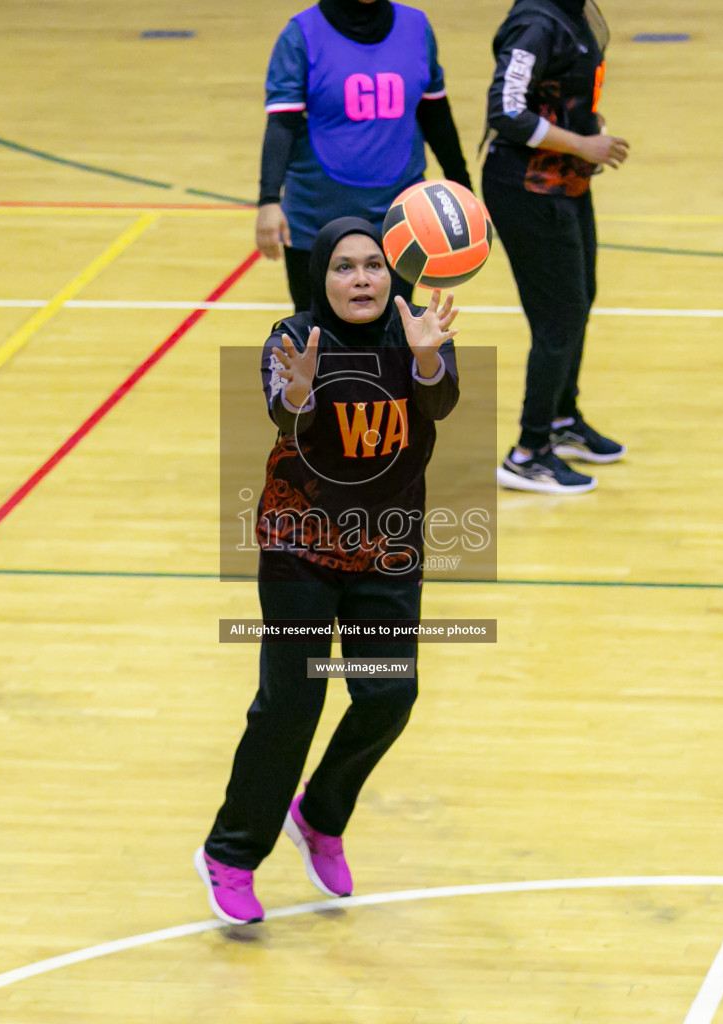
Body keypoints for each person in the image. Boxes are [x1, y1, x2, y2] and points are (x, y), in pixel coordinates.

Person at [196, 218, 461, 925]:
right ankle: (230, 852)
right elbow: (287, 418)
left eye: (374, 265)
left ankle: (318, 814)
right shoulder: (291, 339)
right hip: (299, 550)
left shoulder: (419, 331)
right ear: (322, 278)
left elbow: (440, 403)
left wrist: (430, 361)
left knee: (388, 694)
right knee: (291, 705)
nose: (363, 279)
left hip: (388, 547)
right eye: (344, 267)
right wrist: (302, 392)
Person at [481, 0, 630, 495]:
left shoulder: (575, 13)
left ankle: (563, 417)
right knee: (558, 319)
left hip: (565, 184)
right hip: (526, 188)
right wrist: (581, 143)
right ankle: (528, 453)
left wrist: (587, 125)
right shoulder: (536, 25)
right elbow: (505, 110)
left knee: (579, 299)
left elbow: (559, 93)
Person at [256, 0, 473, 311]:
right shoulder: (301, 34)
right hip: (315, 219)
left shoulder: (416, 27)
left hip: (399, 222)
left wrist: (462, 187)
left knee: (388, 342)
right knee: (318, 342)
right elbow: (282, 124)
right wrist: (268, 199)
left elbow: (435, 114)